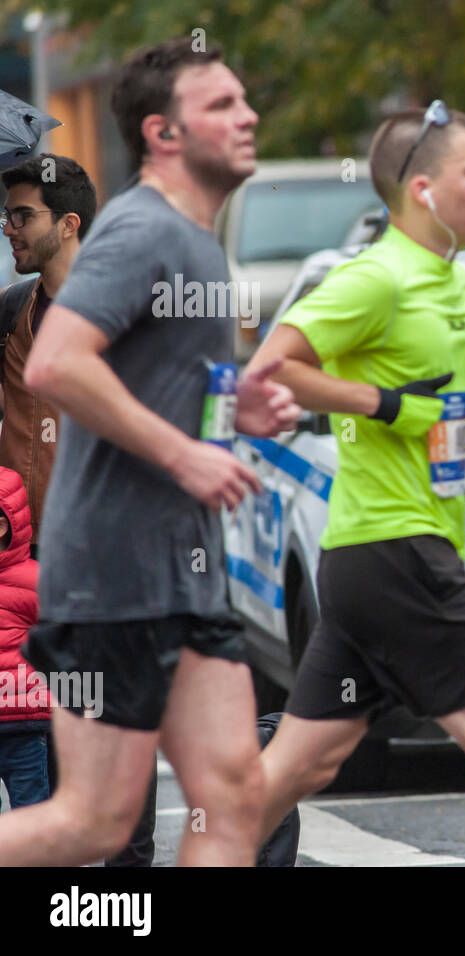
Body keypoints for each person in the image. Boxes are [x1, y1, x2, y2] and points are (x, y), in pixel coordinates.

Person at [0, 36, 300, 867]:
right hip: (117, 578)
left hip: (183, 569)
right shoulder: (141, 231)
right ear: (165, 133)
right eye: (222, 106)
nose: (248, 118)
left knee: (235, 794)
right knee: (92, 824)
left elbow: (151, 386)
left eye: (243, 101)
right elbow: (59, 362)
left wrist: (236, 409)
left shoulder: (197, 240)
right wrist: (185, 457)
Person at [248, 102, 465, 867]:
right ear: (421, 189)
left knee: (301, 764)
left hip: (369, 557)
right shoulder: (378, 277)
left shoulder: (450, 282)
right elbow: (273, 367)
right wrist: (385, 405)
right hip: (397, 544)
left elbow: (457, 391)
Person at [0, 155, 97, 550]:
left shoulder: (120, 316)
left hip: (93, 544)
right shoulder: (11, 308)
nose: (9, 230)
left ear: (68, 224)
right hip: (16, 546)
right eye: (6, 216)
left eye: (23, 216)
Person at [0, 468, 44, 809]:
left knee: (31, 811)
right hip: (25, 720)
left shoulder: (35, 581)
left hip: (23, 725)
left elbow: (59, 645)